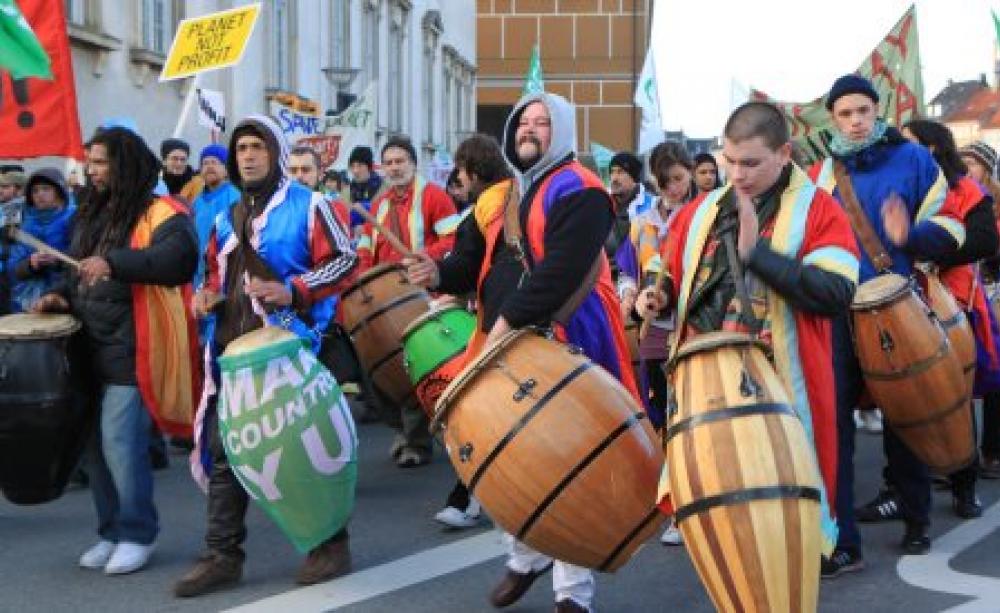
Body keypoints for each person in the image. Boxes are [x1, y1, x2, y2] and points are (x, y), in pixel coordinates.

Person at [405, 92, 638, 613]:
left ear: (562, 131)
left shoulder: (583, 191)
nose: (530, 130)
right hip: (501, 338)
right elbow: (469, 262)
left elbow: (561, 271)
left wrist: (509, 321)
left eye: (542, 122)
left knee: (568, 461)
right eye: (523, 122)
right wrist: (438, 273)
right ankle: (526, 553)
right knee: (497, 451)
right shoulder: (497, 198)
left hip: (565, 335)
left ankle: (572, 591)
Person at [640, 101, 858, 579]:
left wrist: (758, 256)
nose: (737, 174)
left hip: (778, 390)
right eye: (730, 160)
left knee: (781, 523)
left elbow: (837, 293)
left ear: (784, 154)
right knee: (724, 528)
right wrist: (654, 297)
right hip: (704, 385)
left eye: (751, 163)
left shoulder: (819, 210)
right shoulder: (699, 211)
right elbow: (668, 270)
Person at [175, 115, 359, 597]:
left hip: (287, 347)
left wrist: (294, 288)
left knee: (300, 449)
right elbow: (210, 274)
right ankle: (222, 555)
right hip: (231, 351)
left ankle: (330, 544)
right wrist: (204, 295)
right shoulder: (224, 215)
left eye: (257, 147)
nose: (249, 156)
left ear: (274, 154)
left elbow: (345, 260)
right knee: (223, 450)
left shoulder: (310, 204)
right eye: (241, 150)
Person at [808, 74, 965, 574]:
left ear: (878, 111)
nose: (855, 121)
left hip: (901, 311)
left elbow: (955, 227)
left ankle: (917, 520)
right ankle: (843, 540)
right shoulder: (818, 175)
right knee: (834, 428)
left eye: (863, 111)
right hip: (837, 314)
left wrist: (911, 233)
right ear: (832, 119)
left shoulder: (916, 160)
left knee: (906, 419)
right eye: (845, 114)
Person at [32, 126, 201, 575]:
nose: (92, 169)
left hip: (133, 347)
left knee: (121, 444)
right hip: (88, 347)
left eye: (101, 161)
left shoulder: (162, 211)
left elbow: (178, 259)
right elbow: (78, 277)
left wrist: (115, 263)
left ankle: (137, 532)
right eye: (91, 160)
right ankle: (110, 531)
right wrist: (59, 299)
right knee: (94, 449)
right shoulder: (92, 212)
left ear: (124, 164)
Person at [888, 119, 997, 518]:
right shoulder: (899, 185)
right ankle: (899, 488)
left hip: (950, 303)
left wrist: (930, 250)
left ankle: (964, 486)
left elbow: (986, 240)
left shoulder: (965, 189)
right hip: (901, 305)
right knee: (899, 397)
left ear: (931, 148)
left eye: (910, 143)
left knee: (954, 397)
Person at [356, 135, 460, 468]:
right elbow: (364, 247)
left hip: (422, 296)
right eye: (389, 162)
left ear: (414, 163)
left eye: (400, 161)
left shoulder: (435, 197)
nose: (395, 167)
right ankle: (406, 432)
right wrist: (361, 279)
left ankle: (415, 441)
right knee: (379, 373)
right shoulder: (379, 203)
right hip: (383, 302)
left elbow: (452, 240)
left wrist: (423, 257)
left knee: (414, 368)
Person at [430, 134, 512, 530]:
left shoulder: (487, 206)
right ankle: (471, 495)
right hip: (520, 320)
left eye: (461, 172)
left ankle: (471, 497)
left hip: (505, 324)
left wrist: (439, 274)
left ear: (474, 171)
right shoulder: (517, 196)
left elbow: (466, 265)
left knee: (477, 411)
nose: (458, 180)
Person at [620, 142, 694, 546]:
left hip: (690, 326)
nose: (673, 190)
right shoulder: (642, 219)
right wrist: (630, 290)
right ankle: (671, 494)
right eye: (665, 183)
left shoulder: (706, 214)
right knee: (659, 413)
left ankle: (685, 503)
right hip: (652, 329)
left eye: (679, 180)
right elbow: (627, 264)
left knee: (687, 414)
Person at [960, 140, 1000, 478]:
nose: (967, 169)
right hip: (966, 293)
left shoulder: (995, 204)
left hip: (993, 292)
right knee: (959, 375)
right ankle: (960, 459)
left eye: (972, 163)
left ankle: (993, 453)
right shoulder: (957, 200)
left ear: (986, 169)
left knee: (996, 374)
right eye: (963, 163)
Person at [10, 168, 76, 313]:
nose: (40, 194)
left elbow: (83, 258)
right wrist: (31, 264)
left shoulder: (75, 218)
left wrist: (57, 261)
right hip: (30, 301)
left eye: (46, 189)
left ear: (59, 191)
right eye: (35, 191)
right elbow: (14, 267)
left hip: (65, 298)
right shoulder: (27, 224)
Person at [190, 145, 240, 292]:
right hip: (198, 272)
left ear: (226, 169)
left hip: (224, 273)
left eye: (215, 162)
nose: (209, 167)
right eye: (205, 163)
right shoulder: (197, 201)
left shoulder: (235, 197)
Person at [605, 151, 655, 268]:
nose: (614, 178)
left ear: (634, 177)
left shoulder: (652, 205)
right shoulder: (602, 204)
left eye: (620, 172)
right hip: (607, 278)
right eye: (612, 172)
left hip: (638, 276)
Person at [344, 145, 386, 238]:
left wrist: (366, 228)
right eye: (352, 166)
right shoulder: (346, 191)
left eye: (359, 166)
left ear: (369, 167)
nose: (355, 171)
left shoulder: (385, 189)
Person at [161, 138, 204, 203]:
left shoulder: (196, 182)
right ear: (164, 161)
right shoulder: (155, 180)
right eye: (174, 159)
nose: (179, 163)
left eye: (183, 160)